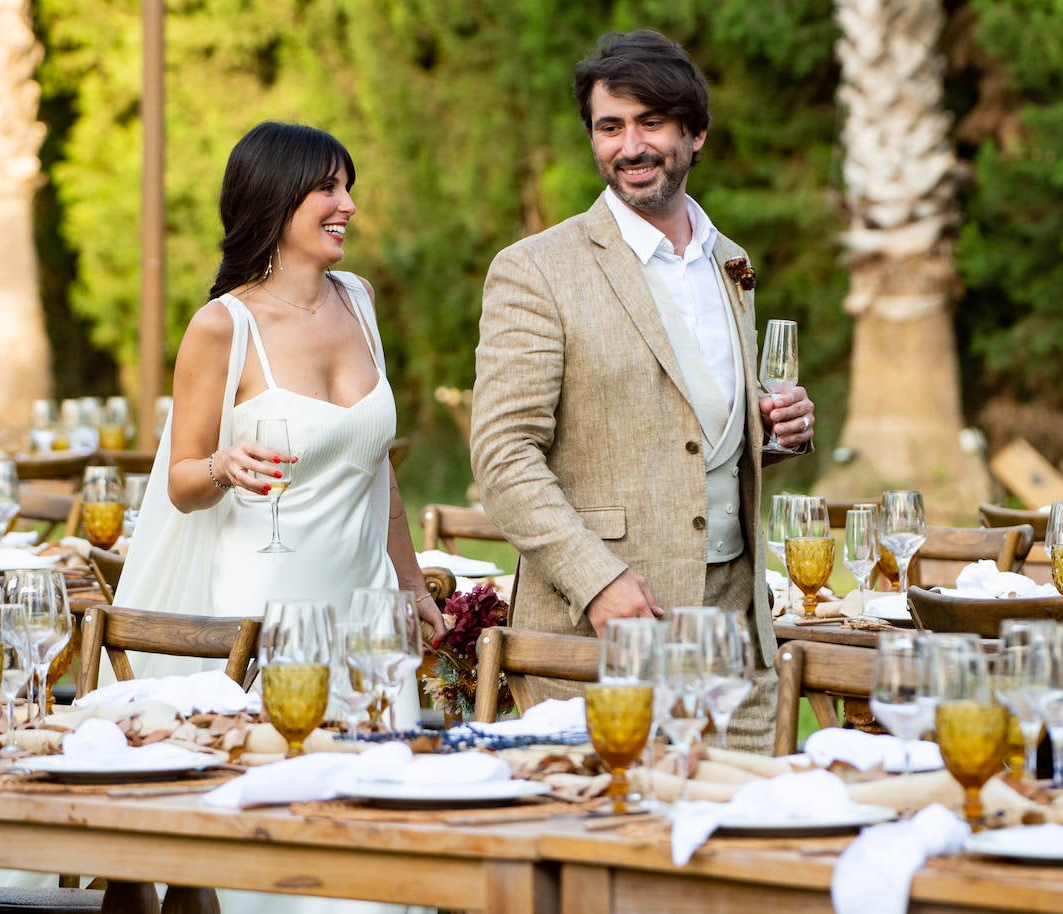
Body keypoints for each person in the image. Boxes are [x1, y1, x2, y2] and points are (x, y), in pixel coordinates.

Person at [104, 121, 441, 914]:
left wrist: (413, 584)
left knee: (372, 852)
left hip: (364, 619)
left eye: (346, 187)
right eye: (329, 189)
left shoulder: (358, 302)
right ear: (278, 200)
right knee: (275, 860)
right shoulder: (225, 326)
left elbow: (377, 470)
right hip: (261, 622)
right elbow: (181, 481)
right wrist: (223, 465)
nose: (347, 205)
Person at [470, 30, 815, 754]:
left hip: (735, 639)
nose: (631, 146)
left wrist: (772, 431)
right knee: (607, 846)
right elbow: (503, 456)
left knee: (738, 847)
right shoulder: (537, 269)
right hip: (603, 634)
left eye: (651, 122)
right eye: (610, 126)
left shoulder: (732, 262)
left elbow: (691, 437)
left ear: (695, 132)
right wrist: (597, 582)